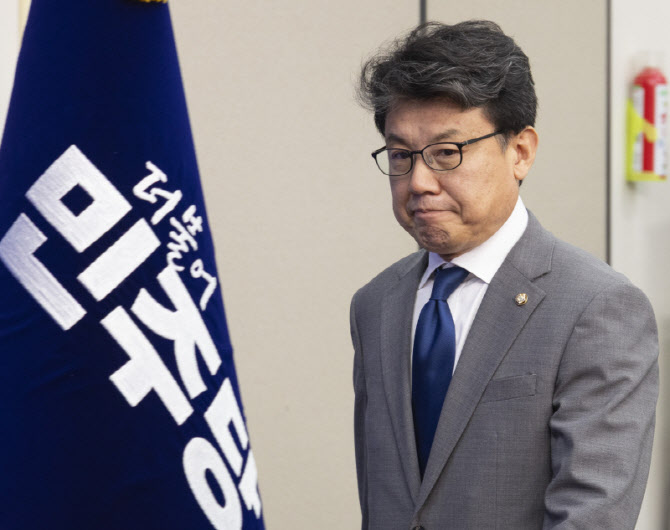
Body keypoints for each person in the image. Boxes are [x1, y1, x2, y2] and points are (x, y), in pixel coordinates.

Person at [351, 20, 658, 530]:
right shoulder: (376, 303)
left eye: (446, 153)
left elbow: (592, 515)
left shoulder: (596, 307)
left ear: (520, 152)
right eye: (401, 155)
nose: (419, 181)